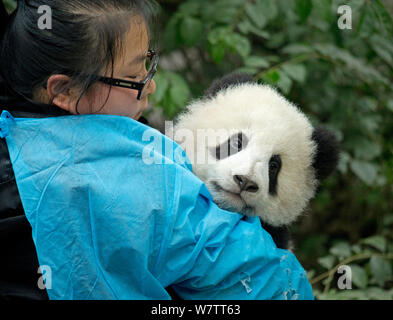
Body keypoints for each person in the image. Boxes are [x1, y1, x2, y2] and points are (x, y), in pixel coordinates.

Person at [0, 0, 314, 300]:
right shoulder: (153, 189)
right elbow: (273, 285)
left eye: (149, 62)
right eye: (135, 75)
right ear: (65, 90)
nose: (150, 84)